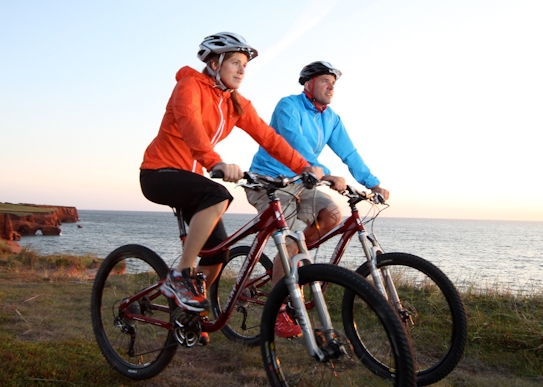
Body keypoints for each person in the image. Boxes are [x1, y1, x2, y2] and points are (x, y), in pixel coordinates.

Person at [139, 33, 324, 319]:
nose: (241, 70)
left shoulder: (235, 103)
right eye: (235, 62)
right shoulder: (188, 86)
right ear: (214, 63)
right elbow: (191, 127)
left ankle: (187, 313)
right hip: (159, 173)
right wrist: (216, 162)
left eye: (244, 65)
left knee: (217, 255)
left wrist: (304, 167)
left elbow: (270, 138)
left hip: (192, 179)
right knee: (218, 195)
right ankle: (180, 275)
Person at [246, 61, 390, 338]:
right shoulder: (288, 106)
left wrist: (372, 182)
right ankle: (279, 309)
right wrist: (317, 168)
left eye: (333, 83)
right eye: (325, 81)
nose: (331, 86)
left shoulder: (331, 118)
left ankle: (295, 265)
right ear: (308, 84)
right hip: (269, 182)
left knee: (333, 215)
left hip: (303, 182)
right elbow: (293, 139)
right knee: (287, 244)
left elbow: (348, 152)